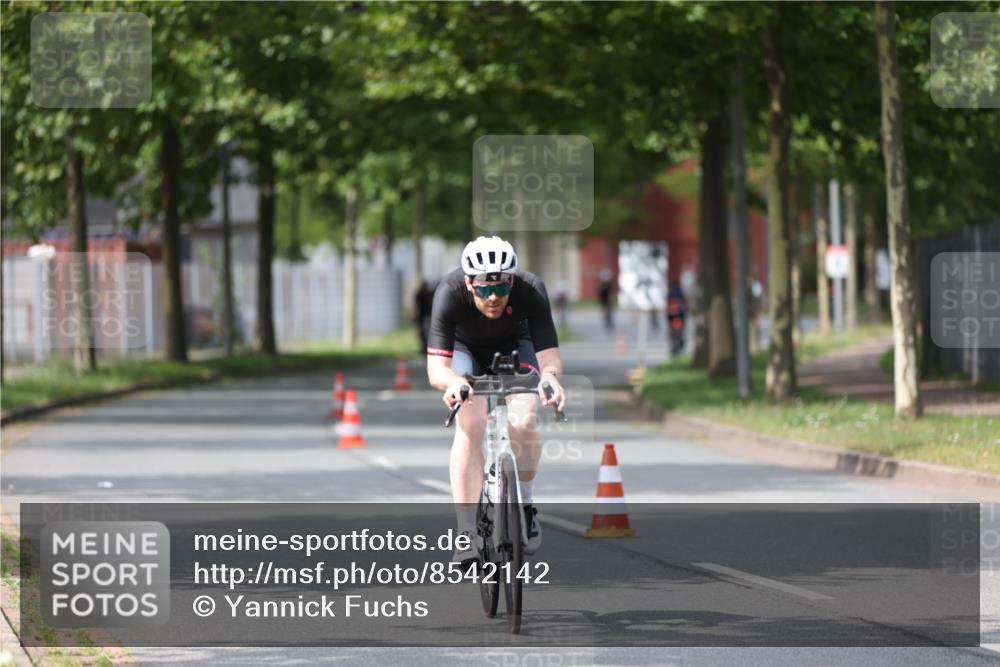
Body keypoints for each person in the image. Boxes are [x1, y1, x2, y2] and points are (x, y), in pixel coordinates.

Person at [425, 235, 566, 565]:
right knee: (471, 425)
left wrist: (549, 379)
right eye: (484, 289)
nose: (493, 297)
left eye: (501, 288)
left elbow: (550, 358)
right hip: (464, 351)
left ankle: (526, 507)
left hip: (515, 345)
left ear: (511, 281)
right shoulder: (449, 293)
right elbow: (437, 369)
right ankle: (465, 532)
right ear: (468, 284)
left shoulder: (531, 289)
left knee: (524, 419)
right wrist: (454, 383)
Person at [667, 281, 688, 355]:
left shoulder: (670, 295)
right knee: (679, 333)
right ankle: (679, 346)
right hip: (679, 318)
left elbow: (669, 312)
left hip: (673, 319)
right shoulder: (680, 295)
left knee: (674, 334)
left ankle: (675, 347)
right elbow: (684, 308)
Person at [598, 268, 614, 332]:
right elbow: (601, 294)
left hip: (608, 300)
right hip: (604, 300)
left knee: (608, 312)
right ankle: (607, 322)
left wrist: (610, 300)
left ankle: (609, 322)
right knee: (605, 312)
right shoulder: (602, 285)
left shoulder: (609, 285)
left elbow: (610, 293)